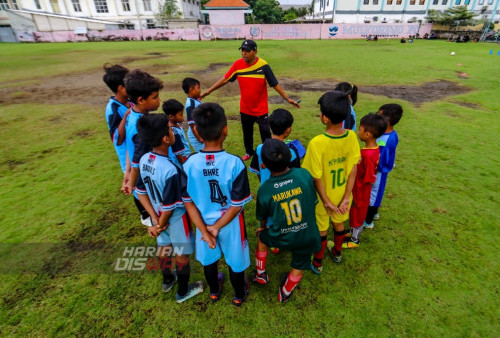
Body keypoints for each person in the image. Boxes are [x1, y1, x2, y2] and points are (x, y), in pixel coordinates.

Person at [181, 102, 252, 307]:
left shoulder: (189, 164)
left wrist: (205, 230)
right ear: (225, 130)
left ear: (197, 133)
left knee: (209, 260)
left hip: (203, 224)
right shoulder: (235, 163)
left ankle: (214, 291)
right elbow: (237, 204)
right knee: (236, 261)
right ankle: (239, 294)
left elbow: (189, 204)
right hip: (230, 224)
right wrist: (216, 227)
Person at [135, 114, 204, 302]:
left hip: (158, 215)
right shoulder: (170, 170)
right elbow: (170, 207)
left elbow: (140, 192)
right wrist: (161, 224)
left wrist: (154, 219)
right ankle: (183, 292)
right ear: (166, 139)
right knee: (182, 255)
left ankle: (167, 279)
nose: (173, 132)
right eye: (170, 130)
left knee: (163, 247)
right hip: (174, 219)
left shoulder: (144, 160)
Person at [200, 39, 300, 161]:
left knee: (265, 133)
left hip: (261, 109)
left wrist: (287, 98)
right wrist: (208, 91)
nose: (244, 53)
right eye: (242, 50)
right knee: (247, 133)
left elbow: (274, 84)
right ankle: (249, 152)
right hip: (245, 108)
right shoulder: (237, 65)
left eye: (247, 51)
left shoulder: (263, 66)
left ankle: (268, 151)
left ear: (255, 51)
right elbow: (225, 79)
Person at [253, 139, 321, 303]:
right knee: (299, 266)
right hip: (307, 235)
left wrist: (262, 228)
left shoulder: (265, 188)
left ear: (264, 165)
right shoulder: (304, 174)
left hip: (280, 236)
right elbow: (312, 202)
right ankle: (284, 293)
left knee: (262, 238)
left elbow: (262, 216)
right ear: (290, 156)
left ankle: (260, 275)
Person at [302, 91, 360, 273]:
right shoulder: (352, 136)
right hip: (342, 194)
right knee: (339, 224)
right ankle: (337, 252)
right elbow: (353, 170)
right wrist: (345, 198)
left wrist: (326, 201)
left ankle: (317, 262)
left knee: (321, 230)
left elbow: (315, 176)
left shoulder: (317, 143)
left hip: (323, 198)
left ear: (325, 118)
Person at [249, 108, 300, 255]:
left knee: (265, 223)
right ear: (288, 130)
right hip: (285, 196)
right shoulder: (291, 153)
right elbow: (295, 178)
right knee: (285, 221)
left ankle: (271, 246)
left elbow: (257, 171)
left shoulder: (260, 149)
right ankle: (282, 241)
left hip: (266, 195)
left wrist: (264, 184)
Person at [122, 69, 163, 228]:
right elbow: (138, 160)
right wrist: (131, 182)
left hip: (139, 175)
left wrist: (126, 172)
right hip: (147, 179)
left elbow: (128, 146)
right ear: (140, 99)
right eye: (155, 97)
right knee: (159, 215)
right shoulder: (142, 127)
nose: (159, 100)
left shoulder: (131, 115)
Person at [342, 113, 386, 248]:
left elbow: (368, 178)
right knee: (355, 213)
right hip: (360, 189)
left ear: (368, 134)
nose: (358, 132)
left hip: (361, 191)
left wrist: (357, 195)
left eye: (360, 129)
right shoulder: (373, 148)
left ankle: (354, 239)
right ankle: (351, 232)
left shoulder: (367, 155)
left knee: (357, 214)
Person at [364, 104, 403, 229]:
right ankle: (373, 213)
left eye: (379, 115)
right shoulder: (382, 133)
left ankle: (369, 220)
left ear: (388, 120)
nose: (376, 116)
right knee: (374, 193)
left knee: (375, 194)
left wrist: (373, 171)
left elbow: (383, 159)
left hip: (379, 171)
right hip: (375, 169)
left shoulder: (389, 138)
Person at [102, 64, 130, 174]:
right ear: (121, 88)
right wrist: (127, 116)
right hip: (129, 162)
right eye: (129, 83)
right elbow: (117, 139)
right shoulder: (113, 110)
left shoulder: (130, 101)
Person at [162, 99, 191, 167]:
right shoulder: (174, 133)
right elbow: (178, 154)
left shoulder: (176, 124)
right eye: (180, 115)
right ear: (171, 116)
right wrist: (184, 166)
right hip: (182, 160)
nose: (183, 117)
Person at [182, 77, 204, 152]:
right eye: (198, 88)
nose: (200, 91)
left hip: (200, 132)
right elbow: (192, 124)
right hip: (196, 136)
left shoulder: (194, 100)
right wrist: (199, 138)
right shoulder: (190, 105)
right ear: (191, 89)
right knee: (203, 156)